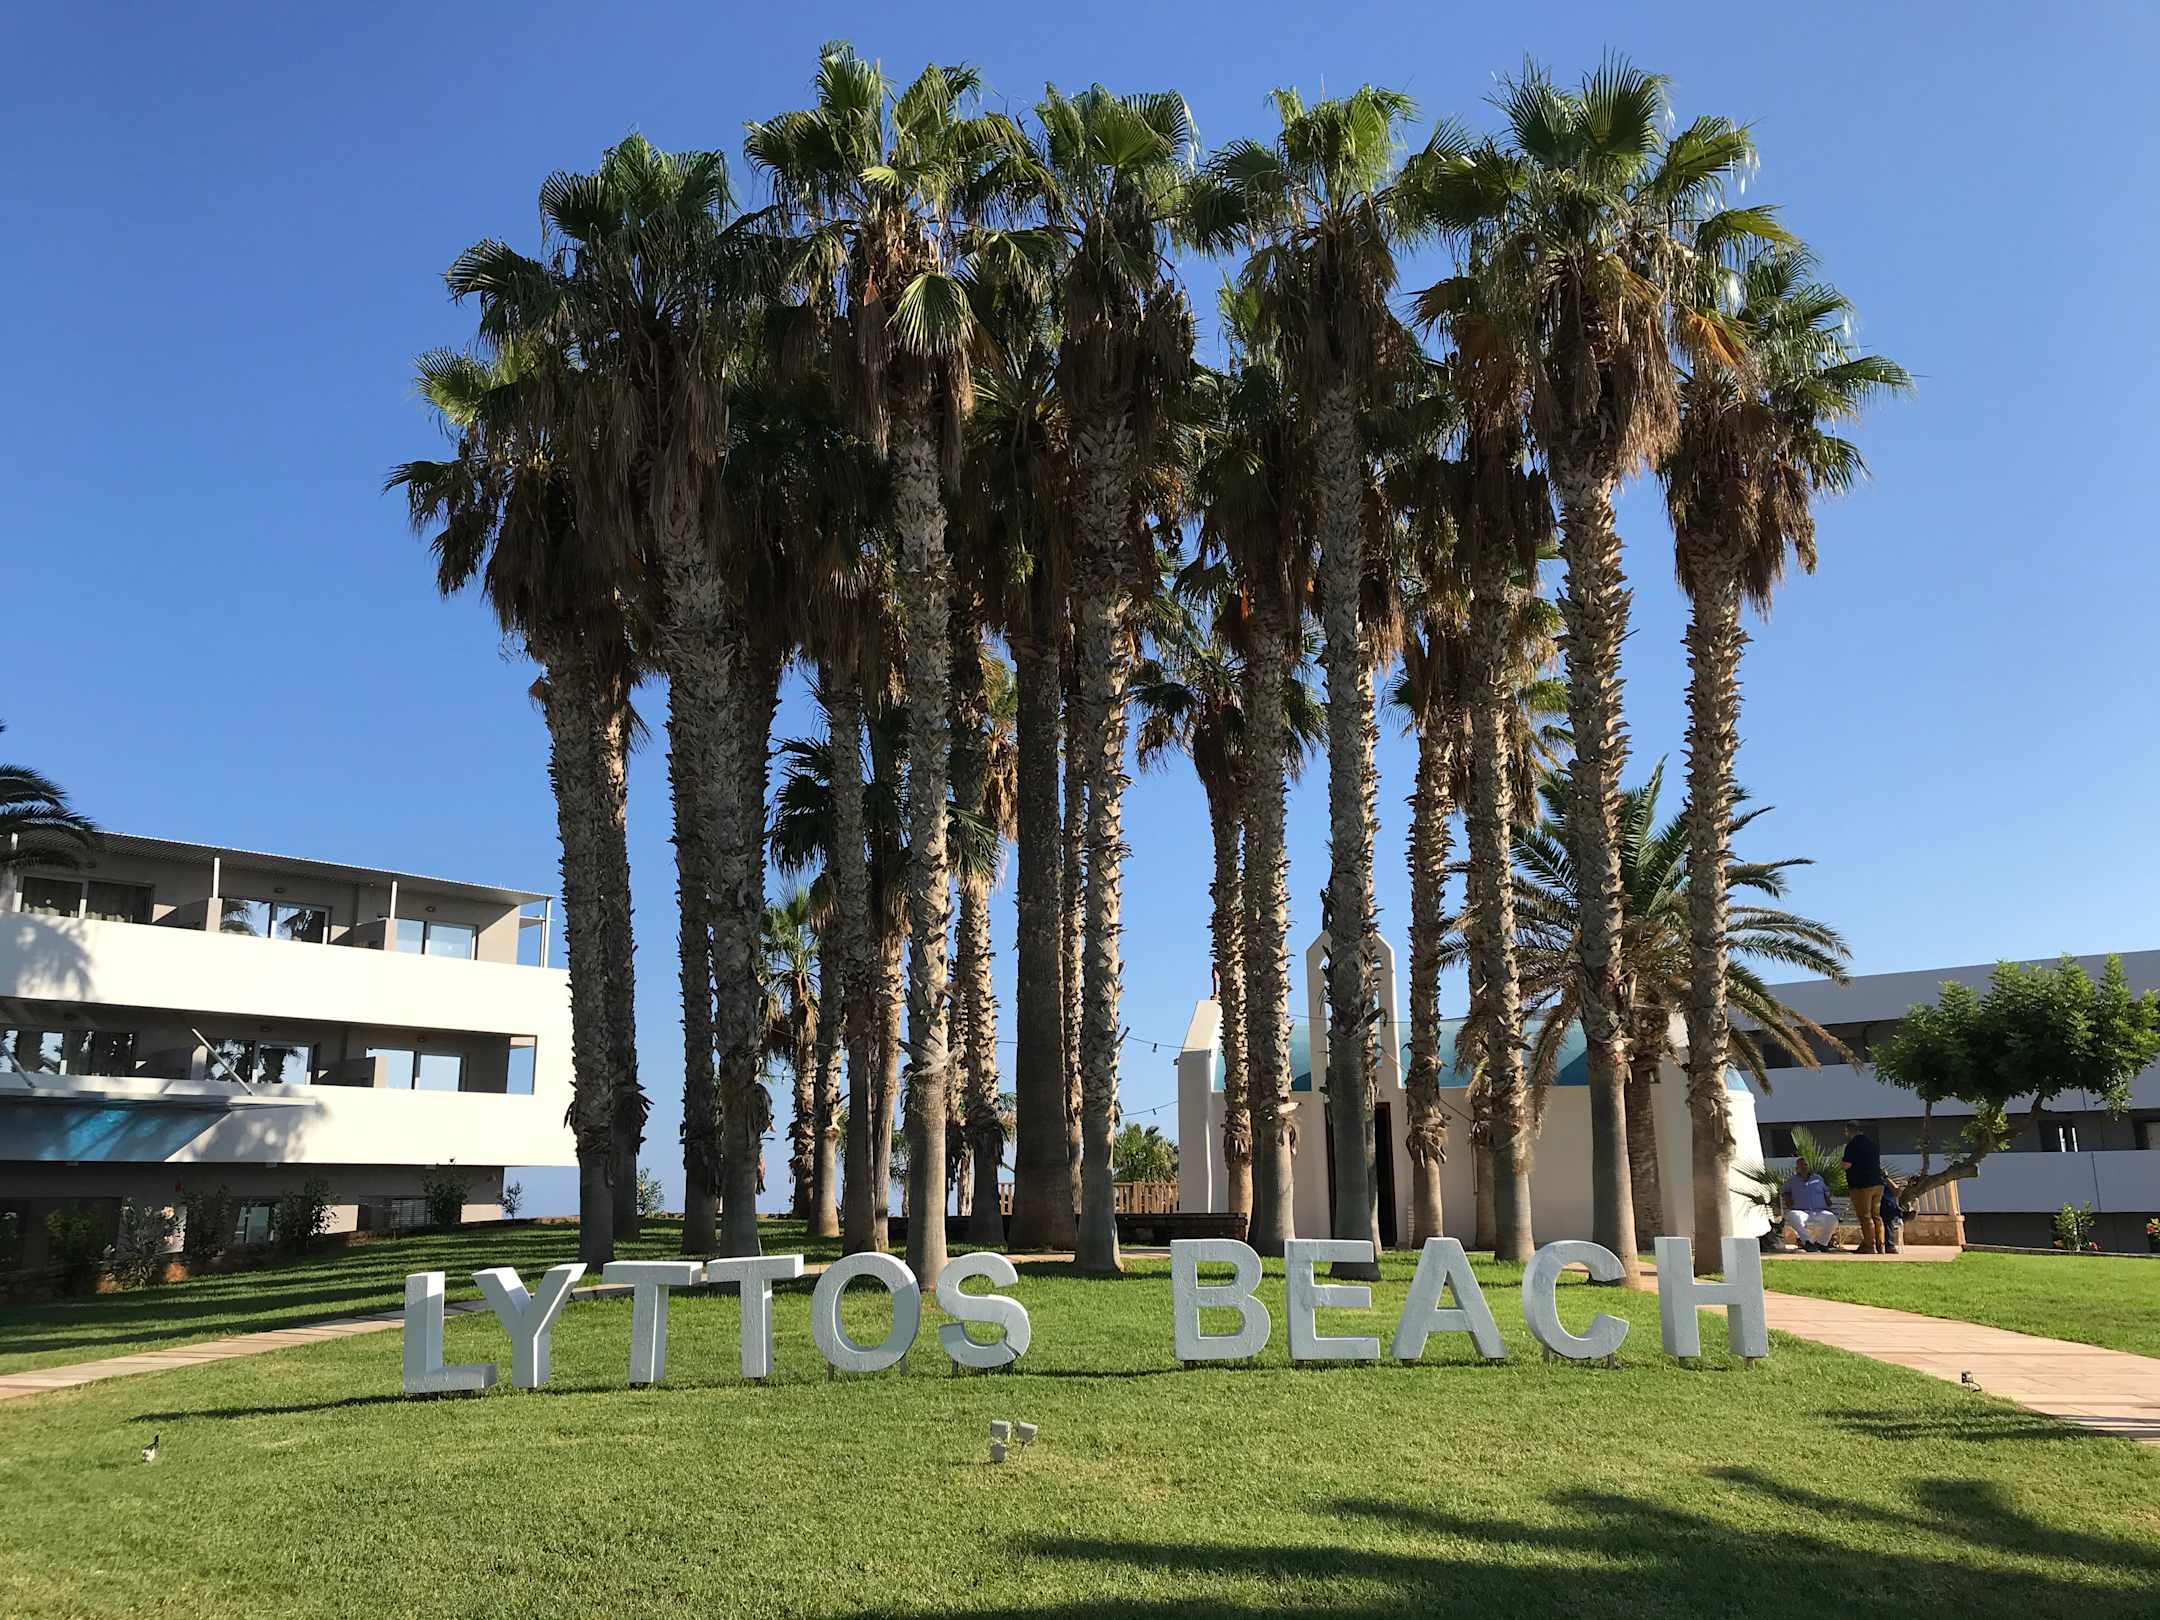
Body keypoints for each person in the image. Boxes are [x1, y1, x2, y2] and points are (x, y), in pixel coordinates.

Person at [1842, 1120, 1886, 1253]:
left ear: (1849, 1131)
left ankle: (1869, 1245)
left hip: (1862, 1185)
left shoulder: (1852, 1145)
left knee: (1865, 1216)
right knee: (1876, 1216)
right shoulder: (1872, 1143)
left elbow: (1846, 1164)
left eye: (1846, 1131)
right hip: (1878, 1183)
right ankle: (1881, 1245)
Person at [1780, 1157, 1840, 1251]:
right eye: (1801, 1165)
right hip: (1801, 1211)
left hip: (1819, 1211)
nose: (1804, 1167)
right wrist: (1788, 1201)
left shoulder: (1818, 1179)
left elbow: (1826, 1192)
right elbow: (1784, 1192)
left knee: (1832, 1220)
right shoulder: (1791, 1180)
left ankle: (1822, 1243)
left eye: (1805, 1165)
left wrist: (1828, 1201)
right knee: (1792, 1216)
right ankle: (1808, 1241)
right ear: (1797, 1168)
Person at [1880, 1175, 1904, 1254]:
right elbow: (1897, 1192)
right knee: (1889, 1214)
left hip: (1887, 1207)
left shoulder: (1886, 1183)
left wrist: (1887, 1179)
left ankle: (1899, 1213)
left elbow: (1897, 1192)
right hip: (1882, 1207)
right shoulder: (1873, 1182)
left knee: (1889, 1213)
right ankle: (1889, 1245)